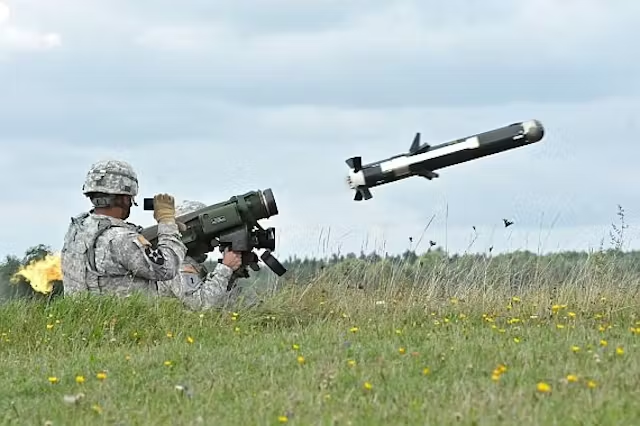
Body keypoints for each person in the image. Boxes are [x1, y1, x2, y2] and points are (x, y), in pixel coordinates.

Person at [61, 159, 186, 296]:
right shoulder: (121, 239)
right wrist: (167, 223)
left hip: (83, 309)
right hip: (122, 311)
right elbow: (167, 268)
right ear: (125, 199)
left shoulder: (76, 230)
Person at [158, 200, 246, 310]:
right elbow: (201, 304)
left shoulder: (189, 262)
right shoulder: (175, 265)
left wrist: (232, 274)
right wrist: (225, 268)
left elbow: (220, 305)